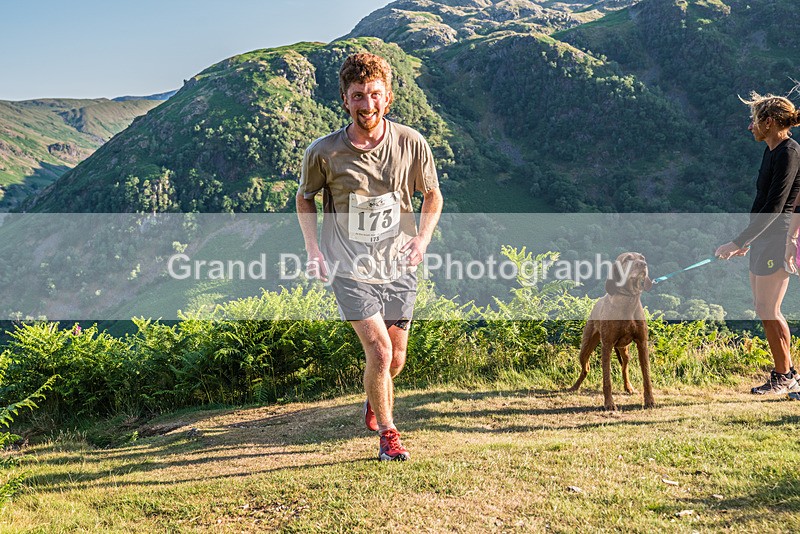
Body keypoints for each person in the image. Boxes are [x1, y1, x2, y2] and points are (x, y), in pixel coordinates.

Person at [296, 53, 443, 461]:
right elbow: (304, 198)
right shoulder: (324, 153)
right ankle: (389, 436)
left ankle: (375, 400)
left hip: (399, 264)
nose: (367, 104)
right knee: (378, 351)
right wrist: (313, 250)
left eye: (374, 94)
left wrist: (423, 240)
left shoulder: (411, 142)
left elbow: (432, 194)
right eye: (358, 95)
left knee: (395, 358)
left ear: (389, 97)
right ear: (345, 99)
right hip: (348, 266)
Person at [716, 92, 800, 394]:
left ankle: (784, 375)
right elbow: (764, 202)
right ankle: (787, 373)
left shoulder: (789, 152)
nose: (750, 127)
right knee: (764, 307)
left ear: (769, 121)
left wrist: (738, 240)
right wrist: (749, 239)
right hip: (764, 237)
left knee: (768, 309)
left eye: (754, 121)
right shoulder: (773, 151)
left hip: (777, 239)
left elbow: (777, 207)